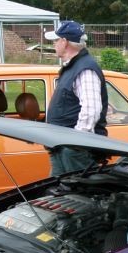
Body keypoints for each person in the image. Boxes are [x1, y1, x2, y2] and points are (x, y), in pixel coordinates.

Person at [43, 20, 108, 176]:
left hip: (73, 149)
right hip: (62, 146)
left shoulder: (85, 69)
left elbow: (91, 110)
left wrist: (75, 144)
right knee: (57, 188)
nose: (54, 44)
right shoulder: (73, 66)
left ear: (64, 42)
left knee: (80, 190)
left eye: (56, 40)